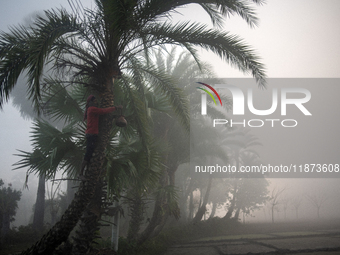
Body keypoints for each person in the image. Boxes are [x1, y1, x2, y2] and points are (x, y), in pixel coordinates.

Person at [80, 95, 122, 179]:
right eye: (95, 101)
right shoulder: (92, 109)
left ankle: (83, 172)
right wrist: (116, 107)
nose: (96, 102)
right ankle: (80, 173)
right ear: (91, 102)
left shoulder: (92, 109)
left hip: (93, 134)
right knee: (88, 154)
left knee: (91, 154)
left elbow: (102, 114)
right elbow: (103, 111)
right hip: (91, 134)